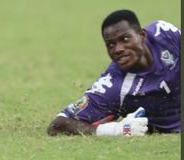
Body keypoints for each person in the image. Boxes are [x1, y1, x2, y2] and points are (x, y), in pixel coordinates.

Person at [47, 10, 180, 136]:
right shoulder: (112, 86)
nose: (118, 49)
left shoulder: (163, 33)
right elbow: (57, 125)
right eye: (110, 45)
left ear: (141, 35)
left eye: (125, 39)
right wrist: (115, 130)